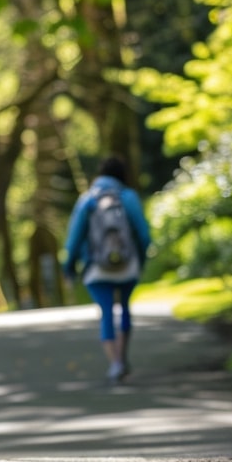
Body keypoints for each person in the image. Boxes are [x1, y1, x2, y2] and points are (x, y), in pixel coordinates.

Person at [62, 155, 152, 382]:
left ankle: (115, 363)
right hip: (127, 265)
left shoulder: (88, 199)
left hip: (97, 268)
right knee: (124, 309)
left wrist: (69, 266)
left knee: (106, 313)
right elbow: (143, 235)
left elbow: (74, 238)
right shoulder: (128, 197)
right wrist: (139, 261)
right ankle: (123, 358)